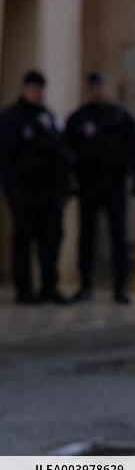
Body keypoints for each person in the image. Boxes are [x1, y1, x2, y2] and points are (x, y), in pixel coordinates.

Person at [66, 71, 135, 303]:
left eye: (101, 86)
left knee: (117, 234)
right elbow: (67, 150)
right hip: (88, 183)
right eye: (94, 87)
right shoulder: (79, 118)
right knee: (87, 233)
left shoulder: (120, 116)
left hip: (115, 182)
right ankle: (86, 284)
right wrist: (70, 179)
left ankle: (120, 286)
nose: (98, 91)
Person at [0, 70, 73, 304]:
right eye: (33, 88)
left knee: (50, 240)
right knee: (23, 241)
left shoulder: (48, 117)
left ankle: (49, 286)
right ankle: (24, 289)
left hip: (49, 191)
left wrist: (65, 186)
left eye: (40, 89)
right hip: (25, 191)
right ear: (24, 88)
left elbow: (62, 151)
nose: (37, 93)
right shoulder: (11, 118)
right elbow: (6, 158)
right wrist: (12, 190)